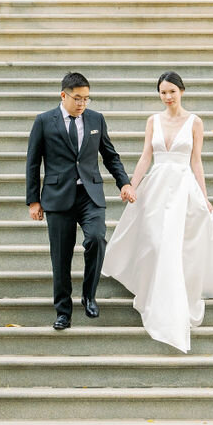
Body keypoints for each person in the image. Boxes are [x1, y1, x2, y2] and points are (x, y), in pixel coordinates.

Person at [102, 70, 213, 352]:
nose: (167, 97)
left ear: (181, 91)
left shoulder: (195, 122)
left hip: (183, 188)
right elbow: (145, 156)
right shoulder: (153, 121)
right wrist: (131, 185)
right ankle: (152, 289)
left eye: (171, 92)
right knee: (153, 241)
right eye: (162, 92)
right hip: (157, 187)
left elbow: (196, 161)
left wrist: (204, 195)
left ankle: (173, 295)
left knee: (176, 244)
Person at [25, 70, 135, 331]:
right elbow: (33, 162)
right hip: (57, 197)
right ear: (63, 95)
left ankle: (89, 295)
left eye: (87, 99)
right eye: (77, 98)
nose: (82, 103)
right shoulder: (43, 121)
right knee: (60, 257)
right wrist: (33, 200)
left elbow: (110, 155)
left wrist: (125, 182)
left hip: (90, 194)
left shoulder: (96, 119)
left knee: (97, 238)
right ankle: (63, 311)